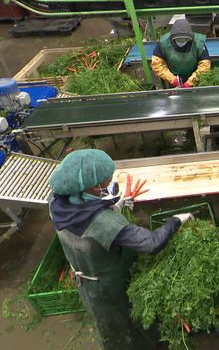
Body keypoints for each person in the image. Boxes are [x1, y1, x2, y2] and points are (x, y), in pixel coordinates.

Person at [48, 149, 193, 349]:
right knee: (124, 328)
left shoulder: (57, 202)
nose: (109, 185)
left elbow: (84, 218)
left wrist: (118, 204)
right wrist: (175, 221)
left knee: (106, 322)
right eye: (104, 185)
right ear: (89, 188)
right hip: (108, 287)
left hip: (84, 278)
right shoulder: (105, 223)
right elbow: (150, 244)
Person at [151, 18, 211, 88]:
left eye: (185, 39)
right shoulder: (163, 43)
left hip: (195, 78)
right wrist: (172, 79)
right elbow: (157, 64)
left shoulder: (198, 43)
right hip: (173, 77)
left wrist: (190, 82)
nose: (182, 41)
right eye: (179, 39)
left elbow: (204, 65)